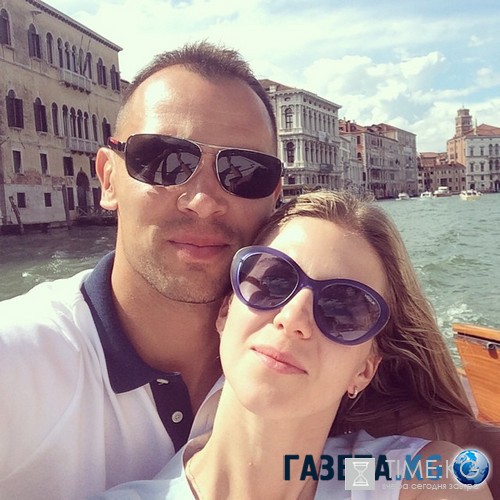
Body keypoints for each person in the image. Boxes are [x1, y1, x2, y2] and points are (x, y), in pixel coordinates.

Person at [0, 42, 282, 499]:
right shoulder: (14, 361)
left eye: (245, 172)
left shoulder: (308, 353)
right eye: (164, 160)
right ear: (108, 179)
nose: (203, 201)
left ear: (275, 196)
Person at [96, 191, 492, 499]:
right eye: (273, 281)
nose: (293, 318)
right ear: (226, 312)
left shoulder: (419, 480)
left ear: (364, 369)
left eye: (342, 309)